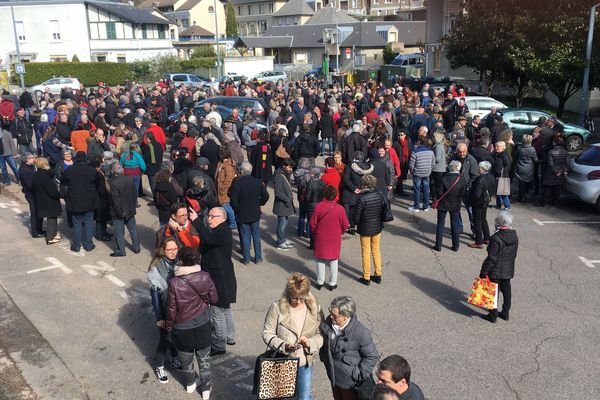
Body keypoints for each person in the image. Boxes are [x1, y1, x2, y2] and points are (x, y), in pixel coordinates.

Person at [166, 246, 218, 398]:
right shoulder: (205, 276)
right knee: (204, 360)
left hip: (182, 328)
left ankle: (190, 385)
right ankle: (206, 390)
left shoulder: (174, 282)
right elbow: (214, 299)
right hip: (202, 324)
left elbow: (171, 308)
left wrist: (169, 326)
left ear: (180, 261)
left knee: (186, 359)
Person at [262, 273, 324, 400]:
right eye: (295, 298)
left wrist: (310, 343)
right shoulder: (277, 308)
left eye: (302, 298)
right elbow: (267, 333)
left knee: (304, 397)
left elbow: (321, 334)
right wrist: (284, 345)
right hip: (283, 360)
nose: (299, 302)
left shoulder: (315, 308)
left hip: (305, 361)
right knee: (282, 396)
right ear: (288, 294)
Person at [189, 207, 237, 356]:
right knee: (225, 308)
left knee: (217, 311)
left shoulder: (222, 231)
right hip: (224, 276)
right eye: (208, 216)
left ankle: (219, 344)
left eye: (212, 216)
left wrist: (196, 220)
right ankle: (230, 337)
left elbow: (208, 238)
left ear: (222, 218)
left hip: (219, 278)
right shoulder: (220, 230)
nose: (209, 218)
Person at [320, 296, 378, 400]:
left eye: (335, 315)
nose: (331, 317)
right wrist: (324, 357)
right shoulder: (329, 323)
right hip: (334, 376)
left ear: (345, 317)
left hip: (350, 382)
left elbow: (372, 356)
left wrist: (358, 375)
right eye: (330, 312)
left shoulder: (361, 332)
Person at [147, 238, 181, 383]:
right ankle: (159, 366)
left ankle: (173, 358)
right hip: (165, 308)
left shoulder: (179, 262)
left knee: (175, 336)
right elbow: (155, 296)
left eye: (175, 249)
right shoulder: (156, 268)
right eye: (169, 250)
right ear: (163, 250)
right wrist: (160, 318)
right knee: (164, 338)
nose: (173, 252)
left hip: (178, 307)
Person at [479, 211, 518, 323]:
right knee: (506, 291)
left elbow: (491, 258)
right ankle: (505, 313)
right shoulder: (514, 235)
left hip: (495, 271)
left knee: (493, 292)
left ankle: (493, 315)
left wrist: (483, 272)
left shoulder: (495, 238)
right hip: (508, 269)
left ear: (500, 223)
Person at [229, 161, 269, 264]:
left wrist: (237, 210)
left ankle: (246, 259)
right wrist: (259, 203)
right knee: (256, 235)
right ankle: (258, 258)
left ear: (242, 171)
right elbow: (266, 196)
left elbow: (233, 202)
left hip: (242, 214)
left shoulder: (237, 184)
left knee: (245, 236)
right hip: (255, 213)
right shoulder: (258, 182)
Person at [310, 185, 349, 291]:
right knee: (334, 260)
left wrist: (315, 232)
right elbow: (346, 225)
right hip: (334, 238)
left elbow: (312, 223)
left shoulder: (319, 206)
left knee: (320, 260)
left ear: (324, 195)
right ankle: (332, 283)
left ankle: (320, 282)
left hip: (321, 236)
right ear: (335, 195)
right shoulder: (340, 209)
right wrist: (341, 232)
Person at [61, 151, 101, 252]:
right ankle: (88, 244)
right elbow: (98, 182)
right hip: (90, 201)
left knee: (77, 224)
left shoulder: (70, 170)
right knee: (88, 223)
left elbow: (63, 181)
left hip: (75, 201)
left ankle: (76, 245)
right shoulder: (92, 171)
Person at [354, 174, 385, 286]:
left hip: (365, 228)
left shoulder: (362, 199)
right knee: (376, 250)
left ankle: (366, 277)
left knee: (365, 252)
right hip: (377, 227)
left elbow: (356, 217)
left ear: (365, 185)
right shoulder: (380, 195)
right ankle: (378, 274)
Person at [433, 160, 466, 252]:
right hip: (455, 204)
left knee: (440, 224)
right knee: (455, 225)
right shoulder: (461, 179)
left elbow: (440, 192)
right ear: (459, 168)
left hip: (443, 204)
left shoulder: (444, 178)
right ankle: (456, 246)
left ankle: (438, 245)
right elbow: (463, 193)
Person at [109, 163, 141, 257]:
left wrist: (120, 212)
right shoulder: (129, 179)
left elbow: (115, 200)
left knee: (119, 232)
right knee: (133, 229)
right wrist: (132, 205)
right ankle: (136, 247)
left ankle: (121, 250)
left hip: (119, 212)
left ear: (112, 171)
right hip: (130, 209)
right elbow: (135, 194)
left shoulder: (114, 183)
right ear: (122, 170)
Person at [32, 157, 62, 244]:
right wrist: (58, 194)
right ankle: (50, 238)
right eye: (47, 164)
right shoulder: (45, 178)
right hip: (49, 201)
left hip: (41, 200)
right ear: (44, 165)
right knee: (52, 219)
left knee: (51, 219)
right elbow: (53, 192)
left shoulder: (36, 175)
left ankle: (53, 234)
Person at [468, 161, 495, 249]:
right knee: (483, 219)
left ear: (483, 169)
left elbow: (477, 194)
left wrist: (472, 201)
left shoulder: (480, 179)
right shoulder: (491, 177)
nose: (478, 169)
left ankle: (479, 241)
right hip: (486, 201)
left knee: (477, 221)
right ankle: (487, 238)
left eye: (479, 168)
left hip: (478, 203)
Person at [536, 136, 568, 207]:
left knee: (546, 188)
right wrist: (562, 171)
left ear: (555, 142)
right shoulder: (566, 152)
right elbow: (566, 163)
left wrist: (556, 172)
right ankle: (554, 202)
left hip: (551, 173)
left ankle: (542, 203)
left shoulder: (551, 152)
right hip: (560, 173)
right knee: (557, 188)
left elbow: (550, 164)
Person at [19, 153, 44, 237]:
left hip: (32, 194)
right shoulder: (26, 171)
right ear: (27, 160)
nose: (34, 159)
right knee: (35, 213)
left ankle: (39, 230)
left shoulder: (29, 167)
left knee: (38, 212)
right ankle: (35, 232)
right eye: (32, 158)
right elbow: (29, 185)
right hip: (32, 194)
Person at [273, 158, 296, 250]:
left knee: (284, 223)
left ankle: (282, 239)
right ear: (284, 166)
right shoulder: (279, 176)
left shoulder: (284, 174)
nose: (291, 169)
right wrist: (287, 199)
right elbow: (277, 192)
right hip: (282, 205)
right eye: (289, 167)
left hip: (285, 204)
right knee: (282, 225)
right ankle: (280, 242)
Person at [408, 136, 435, 212]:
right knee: (426, 189)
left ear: (419, 142)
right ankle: (426, 206)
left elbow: (411, 163)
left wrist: (411, 170)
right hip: (427, 172)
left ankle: (416, 207)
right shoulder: (431, 151)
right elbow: (433, 163)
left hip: (417, 173)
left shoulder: (415, 151)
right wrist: (430, 169)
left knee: (417, 190)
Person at [215, 146, 237, 229]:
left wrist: (223, 187)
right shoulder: (222, 162)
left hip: (225, 189)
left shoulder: (228, 165)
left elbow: (229, 178)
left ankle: (233, 222)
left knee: (226, 205)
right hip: (221, 188)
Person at [491, 141, 511, 211]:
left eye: (498, 147)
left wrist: (502, 173)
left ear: (503, 147)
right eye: (495, 146)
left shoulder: (504, 155)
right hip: (496, 175)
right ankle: (498, 204)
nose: (496, 148)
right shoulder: (496, 154)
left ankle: (507, 205)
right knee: (497, 191)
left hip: (503, 176)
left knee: (503, 192)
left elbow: (507, 165)